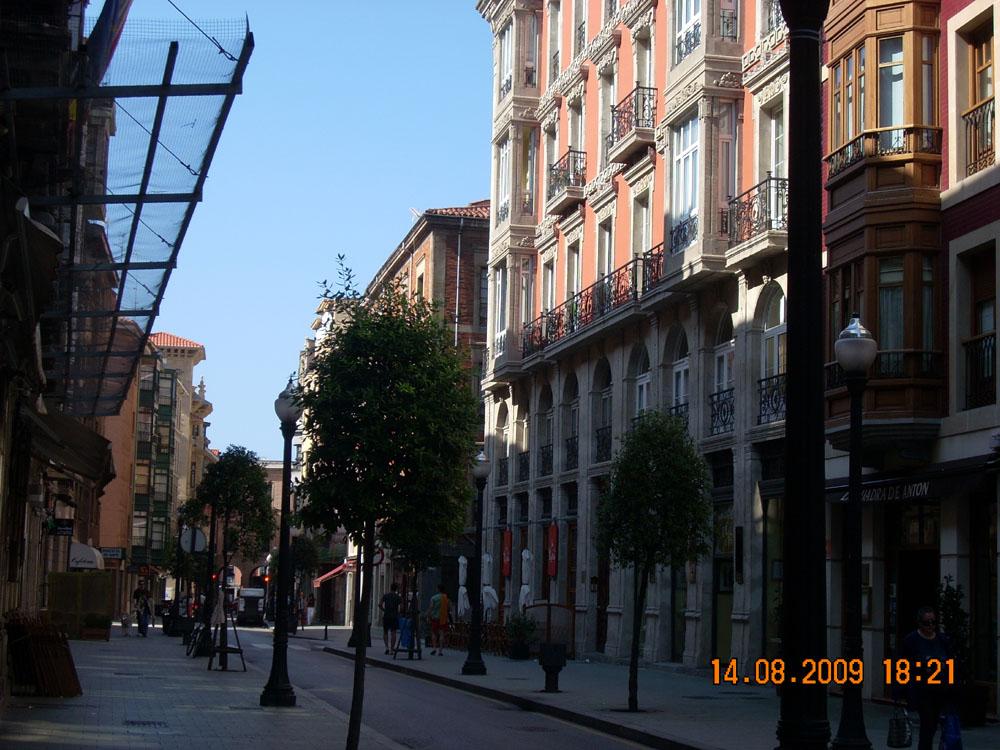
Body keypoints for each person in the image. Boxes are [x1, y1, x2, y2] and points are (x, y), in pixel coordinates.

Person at [897, 606, 954, 750]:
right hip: (922, 690)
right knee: (927, 725)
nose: (930, 626)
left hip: (940, 689)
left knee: (933, 724)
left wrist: (949, 680)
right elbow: (903, 664)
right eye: (927, 623)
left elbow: (951, 661)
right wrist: (922, 667)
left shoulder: (942, 640)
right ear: (920, 623)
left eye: (933, 622)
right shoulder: (911, 640)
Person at [427, 584, 449, 655]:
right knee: (441, 634)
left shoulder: (434, 598)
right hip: (443, 618)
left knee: (434, 633)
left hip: (435, 618)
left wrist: (428, 615)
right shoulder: (446, 598)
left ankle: (434, 648)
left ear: (438, 589)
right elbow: (449, 608)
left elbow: (431, 607)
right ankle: (440, 651)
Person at [379, 582, 401, 655]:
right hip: (394, 616)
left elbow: (380, 604)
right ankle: (392, 649)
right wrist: (398, 612)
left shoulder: (386, 595)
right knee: (393, 632)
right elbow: (402, 607)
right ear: (396, 589)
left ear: (390, 588)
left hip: (386, 616)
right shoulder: (397, 597)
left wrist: (384, 610)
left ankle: (386, 648)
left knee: (385, 632)